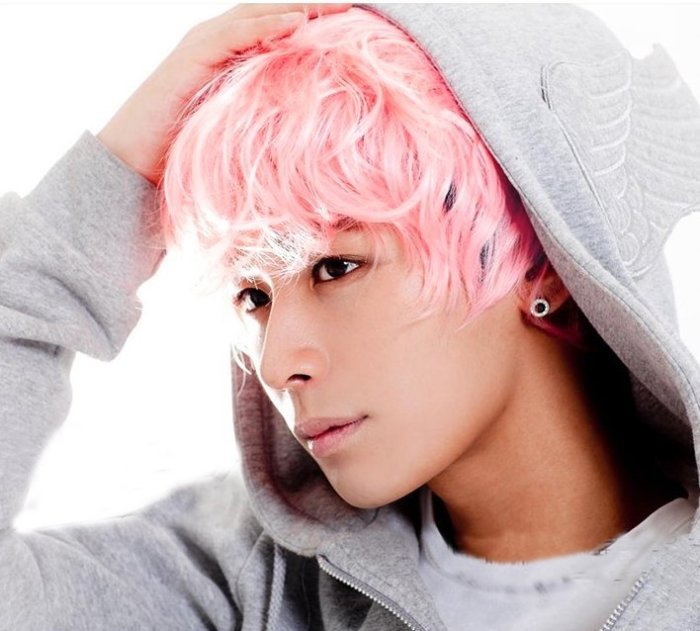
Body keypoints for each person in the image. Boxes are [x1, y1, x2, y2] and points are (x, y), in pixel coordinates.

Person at [2, 3, 700, 630]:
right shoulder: (249, 583)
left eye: (336, 267)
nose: (278, 363)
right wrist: (115, 174)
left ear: (540, 261)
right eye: (254, 297)